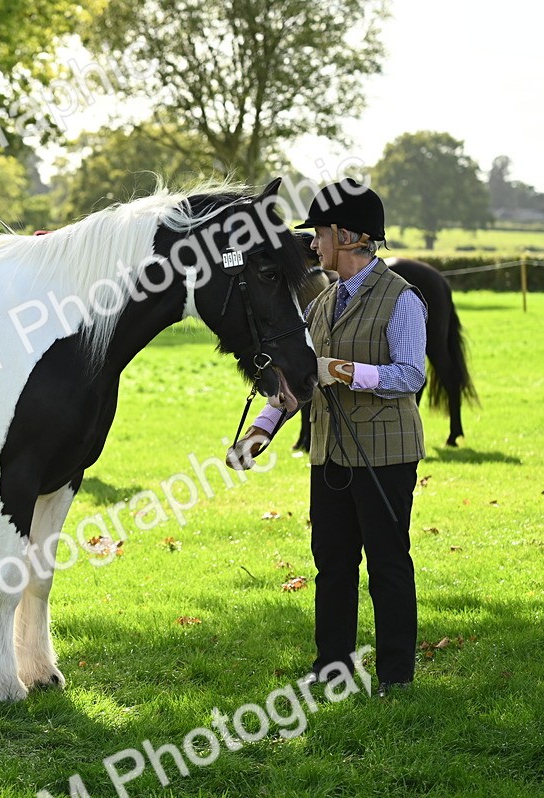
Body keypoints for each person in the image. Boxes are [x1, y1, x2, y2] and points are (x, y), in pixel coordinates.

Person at [227, 179, 427, 698]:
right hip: (329, 455)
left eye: (319, 234)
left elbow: (411, 375)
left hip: (387, 455)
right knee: (332, 565)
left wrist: (343, 370)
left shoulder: (402, 299)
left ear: (349, 236)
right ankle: (332, 668)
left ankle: (396, 676)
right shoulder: (320, 303)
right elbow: (300, 380)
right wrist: (260, 431)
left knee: (388, 564)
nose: (313, 244)